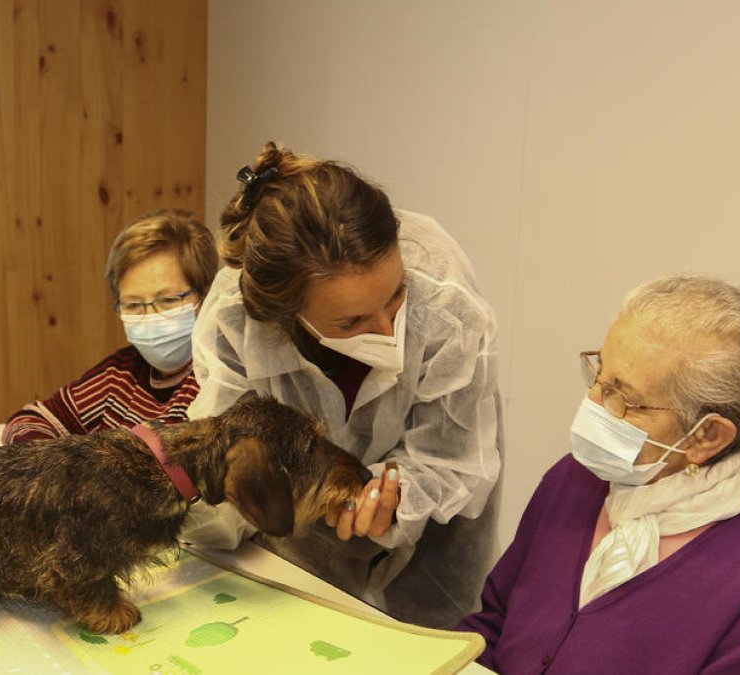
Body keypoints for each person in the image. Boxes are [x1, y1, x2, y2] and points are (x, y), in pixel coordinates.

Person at [181, 142, 503, 628]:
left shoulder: (443, 300)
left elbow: (453, 460)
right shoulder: (237, 318)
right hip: (300, 550)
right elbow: (231, 460)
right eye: (351, 321)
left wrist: (394, 498)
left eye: (396, 297)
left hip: (434, 559)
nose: (386, 329)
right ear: (285, 316)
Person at [456, 275, 740, 674]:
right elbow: (492, 627)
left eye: (626, 398)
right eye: (600, 373)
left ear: (707, 435)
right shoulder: (574, 481)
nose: (593, 403)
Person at [2, 210, 218, 444]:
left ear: (205, 295)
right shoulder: (119, 375)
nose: (149, 317)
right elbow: (29, 420)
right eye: (133, 305)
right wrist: (47, 464)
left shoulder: (220, 380)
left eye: (167, 300)